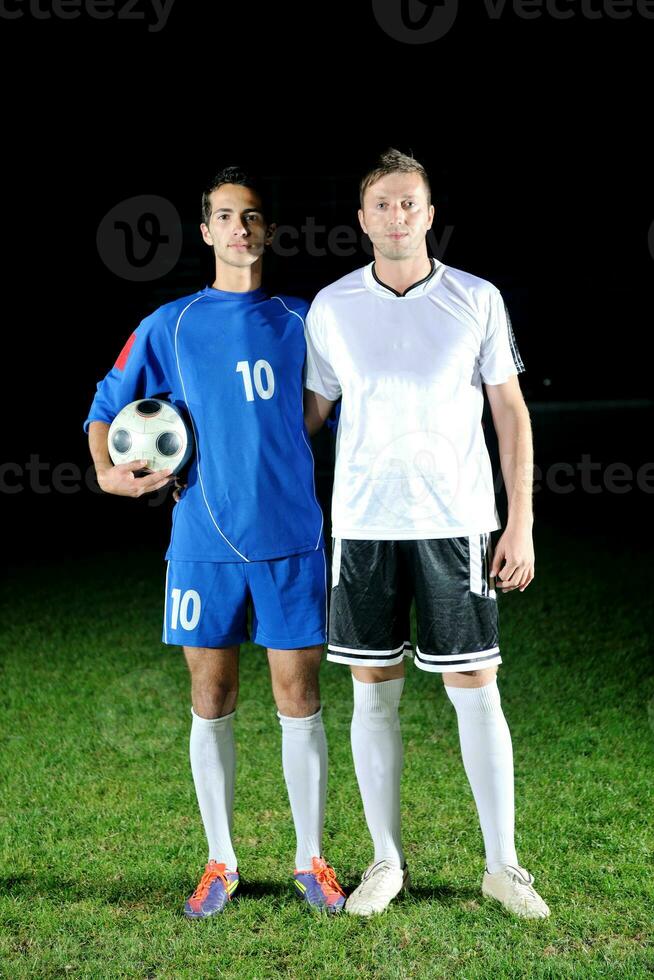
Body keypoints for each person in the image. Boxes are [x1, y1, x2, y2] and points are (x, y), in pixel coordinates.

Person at [84, 167, 345, 917]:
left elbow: (329, 406)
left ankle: (310, 859)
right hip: (201, 540)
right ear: (205, 231)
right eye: (226, 217)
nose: (240, 229)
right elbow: (106, 403)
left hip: (291, 541)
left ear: (268, 229)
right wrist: (109, 473)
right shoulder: (170, 322)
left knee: (299, 697)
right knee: (212, 696)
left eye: (253, 216)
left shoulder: (303, 318)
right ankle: (221, 861)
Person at [303, 148, 550, 919]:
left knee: (475, 688)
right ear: (362, 220)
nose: (398, 216)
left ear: (431, 214)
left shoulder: (476, 298)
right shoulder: (333, 307)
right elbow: (306, 418)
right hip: (366, 525)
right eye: (384, 204)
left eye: (411, 203)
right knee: (372, 692)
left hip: (457, 523)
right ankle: (384, 861)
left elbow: (510, 410)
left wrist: (522, 521)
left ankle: (504, 867)